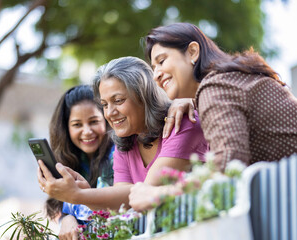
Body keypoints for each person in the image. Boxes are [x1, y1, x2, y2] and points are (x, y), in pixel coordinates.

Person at [129, 22, 297, 211]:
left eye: (161, 61)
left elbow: (228, 166)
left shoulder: (215, 87)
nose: (156, 75)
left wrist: (158, 195)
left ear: (193, 52)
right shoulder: (225, 81)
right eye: (153, 68)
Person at [37, 56, 208, 211]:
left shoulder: (183, 122)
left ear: (144, 96)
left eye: (118, 101)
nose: (109, 113)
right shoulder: (125, 143)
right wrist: (83, 193)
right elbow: (123, 204)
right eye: (104, 104)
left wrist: (78, 195)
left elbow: (142, 193)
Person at [44, 85, 114, 240]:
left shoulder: (118, 155)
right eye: (77, 124)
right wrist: (66, 218)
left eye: (94, 121)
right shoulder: (71, 162)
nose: (87, 131)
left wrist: (69, 215)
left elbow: (110, 208)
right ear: (65, 129)